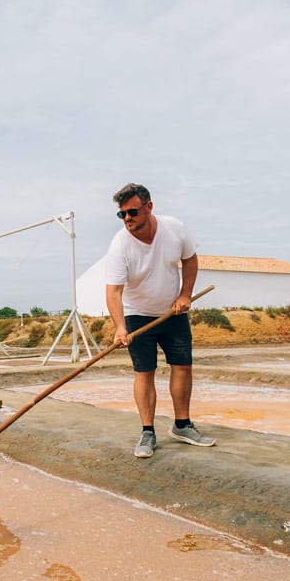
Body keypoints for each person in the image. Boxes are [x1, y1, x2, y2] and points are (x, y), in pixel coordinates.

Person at [104, 183, 215, 458]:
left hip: (173, 312)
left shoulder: (174, 228)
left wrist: (185, 294)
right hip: (137, 315)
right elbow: (114, 291)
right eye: (122, 215)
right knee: (144, 372)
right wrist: (120, 327)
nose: (127, 219)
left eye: (132, 212)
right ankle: (147, 432)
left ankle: (182, 425)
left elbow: (190, 259)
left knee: (183, 366)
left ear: (148, 207)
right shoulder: (120, 245)